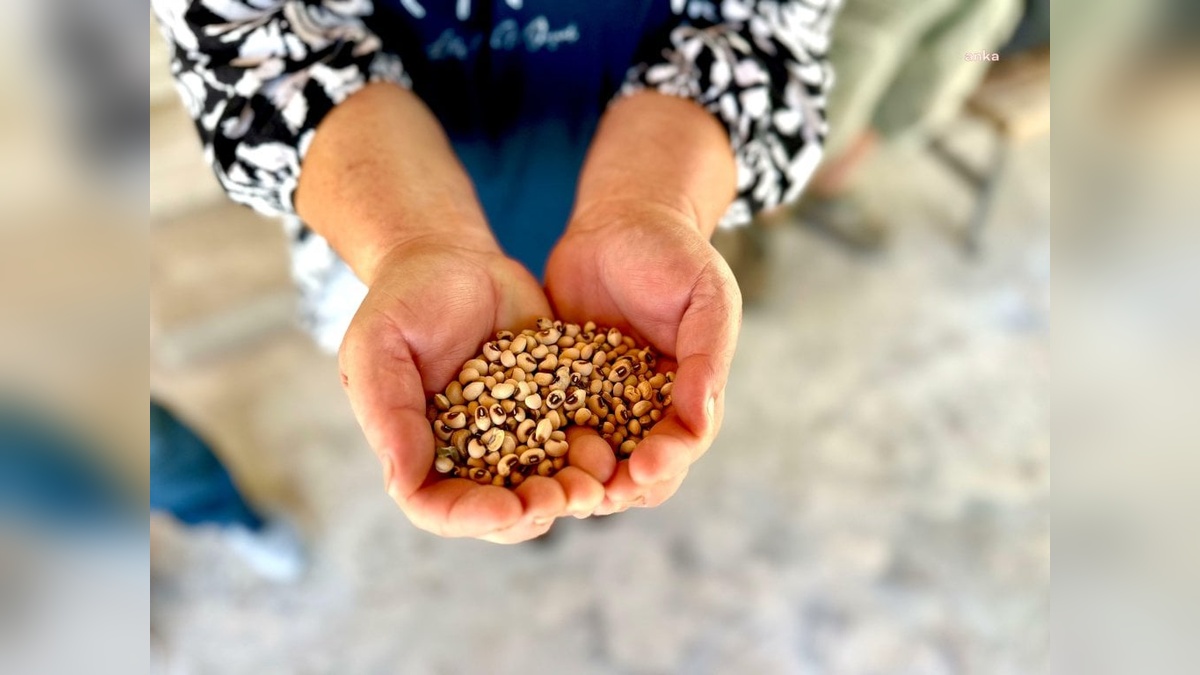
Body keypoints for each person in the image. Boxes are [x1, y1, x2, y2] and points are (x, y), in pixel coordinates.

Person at [152, 0, 838, 543]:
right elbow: (258, 50)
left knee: (610, 455)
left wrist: (652, 204)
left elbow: (761, 34)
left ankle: (587, 495)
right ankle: (551, 503)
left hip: (642, 188)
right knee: (522, 467)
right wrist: (416, 244)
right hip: (383, 203)